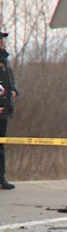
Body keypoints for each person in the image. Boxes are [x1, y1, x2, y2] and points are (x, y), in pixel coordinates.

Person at [0, 31, 19, 190]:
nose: (2, 42)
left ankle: (1, 178)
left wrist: (14, 91)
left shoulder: (4, 59)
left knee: (1, 145)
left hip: (4, 111)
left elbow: (10, 80)